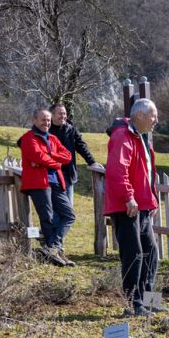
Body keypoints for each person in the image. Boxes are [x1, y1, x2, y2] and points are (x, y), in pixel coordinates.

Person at [104, 99, 160, 317]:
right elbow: (118, 171)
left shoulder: (142, 138)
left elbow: (147, 172)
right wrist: (128, 197)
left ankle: (150, 301)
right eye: (153, 115)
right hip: (127, 206)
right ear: (139, 115)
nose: (156, 120)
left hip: (143, 206)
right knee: (133, 254)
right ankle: (133, 304)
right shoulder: (123, 136)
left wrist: (153, 200)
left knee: (150, 252)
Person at [18, 109, 76, 266]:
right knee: (48, 219)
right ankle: (56, 253)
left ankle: (53, 248)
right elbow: (38, 156)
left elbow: (68, 156)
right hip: (39, 183)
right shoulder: (28, 138)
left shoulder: (53, 138)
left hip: (56, 182)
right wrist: (54, 160)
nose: (47, 123)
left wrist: (49, 156)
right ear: (35, 120)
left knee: (68, 215)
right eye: (43, 120)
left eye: (49, 120)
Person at [48, 103, 102, 204]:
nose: (63, 116)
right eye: (60, 114)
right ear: (52, 115)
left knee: (69, 207)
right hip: (51, 174)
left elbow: (81, 146)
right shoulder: (46, 130)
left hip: (67, 173)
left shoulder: (70, 129)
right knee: (54, 208)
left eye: (64, 113)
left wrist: (92, 162)